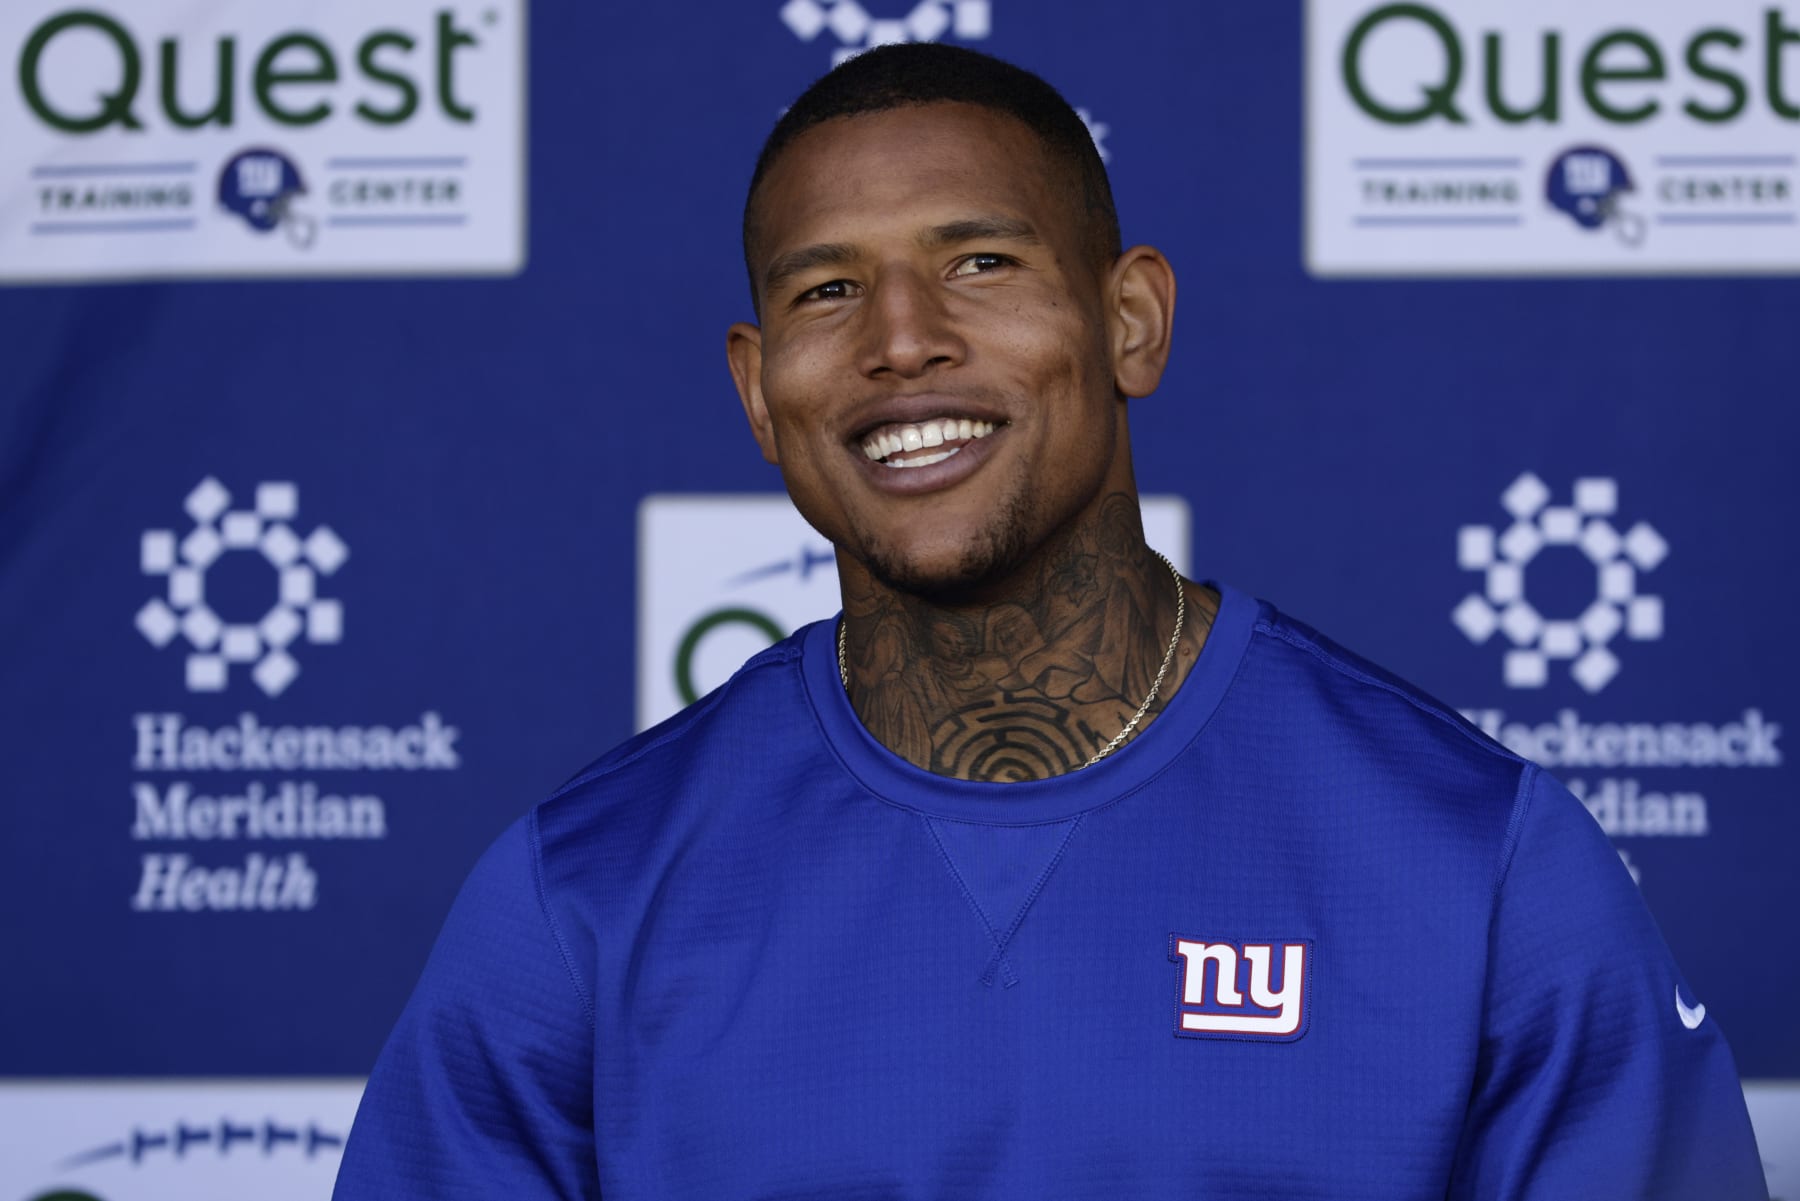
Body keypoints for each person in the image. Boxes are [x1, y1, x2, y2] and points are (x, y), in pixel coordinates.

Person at [333, 44, 1768, 1199]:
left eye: (981, 263)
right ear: (759, 391)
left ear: (1131, 318)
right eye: (830, 290)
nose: (903, 339)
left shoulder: (1474, 858)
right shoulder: (582, 896)